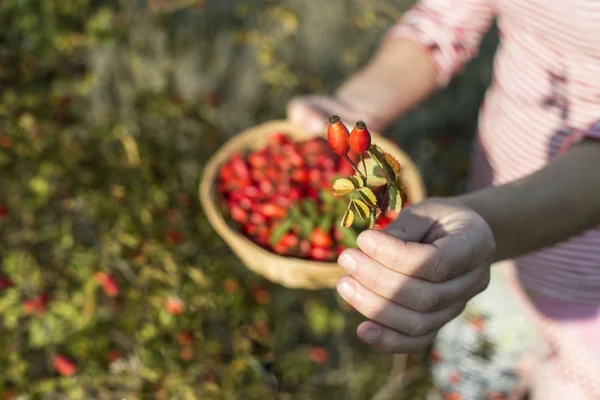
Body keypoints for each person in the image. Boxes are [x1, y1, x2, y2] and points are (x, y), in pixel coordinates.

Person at [287, 1, 600, 399]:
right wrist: (353, 108)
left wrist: (487, 222)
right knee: (473, 377)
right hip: (489, 256)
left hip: (588, 295)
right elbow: (446, 15)